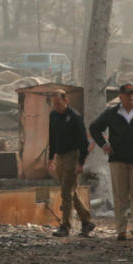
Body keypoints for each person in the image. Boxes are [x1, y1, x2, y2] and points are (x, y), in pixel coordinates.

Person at [88, 83, 133, 241]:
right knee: (120, 196)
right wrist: (104, 145)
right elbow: (94, 128)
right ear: (121, 96)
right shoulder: (112, 113)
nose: (131, 97)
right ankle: (121, 231)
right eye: (127, 94)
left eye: (132, 94)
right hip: (118, 159)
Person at [46, 90, 96, 238]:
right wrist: (51, 156)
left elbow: (84, 143)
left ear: (66, 100)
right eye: (54, 104)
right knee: (69, 192)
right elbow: (52, 136)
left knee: (66, 193)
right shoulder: (53, 115)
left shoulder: (75, 117)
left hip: (72, 156)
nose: (57, 107)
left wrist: (80, 163)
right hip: (60, 156)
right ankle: (86, 221)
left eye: (59, 104)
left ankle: (65, 225)